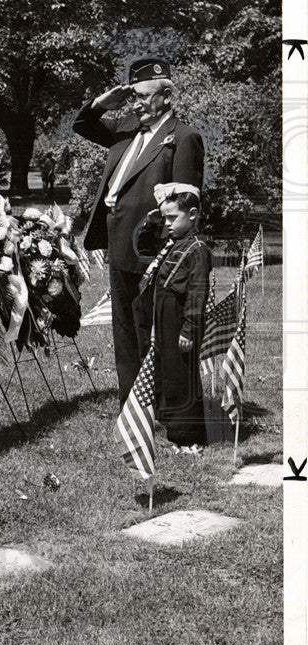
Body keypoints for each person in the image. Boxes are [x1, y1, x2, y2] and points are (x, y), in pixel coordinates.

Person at [73, 57, 203, 405]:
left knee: (151, 327)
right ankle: (132, 404)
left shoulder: (183, 138)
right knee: (124, 329)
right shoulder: (125, 128)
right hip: (116, 243)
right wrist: (102, 103)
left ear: (166, 97)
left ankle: (160, 403)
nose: (136, 103)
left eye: (144, 96)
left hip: (150, 248)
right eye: (133, 96)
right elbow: (82, 124)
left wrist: (164, 250)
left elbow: (184, 204)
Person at [134, 184, 222, 450]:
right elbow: (143, 249)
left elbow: (197, 292)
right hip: (163, 312)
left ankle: (187, 436)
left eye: (173, 217)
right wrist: (150, 224)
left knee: (180, 374)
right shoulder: (173, 242)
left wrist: (190, 327)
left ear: (193, 214)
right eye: (165, 218)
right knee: (166, 368)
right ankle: (170, 422)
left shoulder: (197, 249)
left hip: (180, 315)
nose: (168, 223)